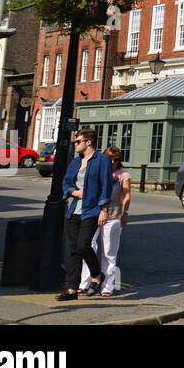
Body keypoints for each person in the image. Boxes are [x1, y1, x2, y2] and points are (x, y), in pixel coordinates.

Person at [57, 129, 113, 301]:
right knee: (73, 251)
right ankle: (73, 290)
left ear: (88, 142)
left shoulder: (102, 160)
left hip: (92, 209)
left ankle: (97, 274)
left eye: (78, 141)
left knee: (83, 245)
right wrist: (74, 192)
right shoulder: (75, 163)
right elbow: (66, 183)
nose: (75, 144)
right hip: (74, 209)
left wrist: (104, 210)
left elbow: (106, 186)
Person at [80, 146, 130, 297]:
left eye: (116, 160)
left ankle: (107, 287)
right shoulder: (99, 170)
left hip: (113, 216)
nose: (113, 162)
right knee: (88, 247)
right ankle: (85, 282)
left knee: (109, 253)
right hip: (94, 214)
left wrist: (125, 213)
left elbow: (126, 195)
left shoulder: (123, 174)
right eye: (110, 159)